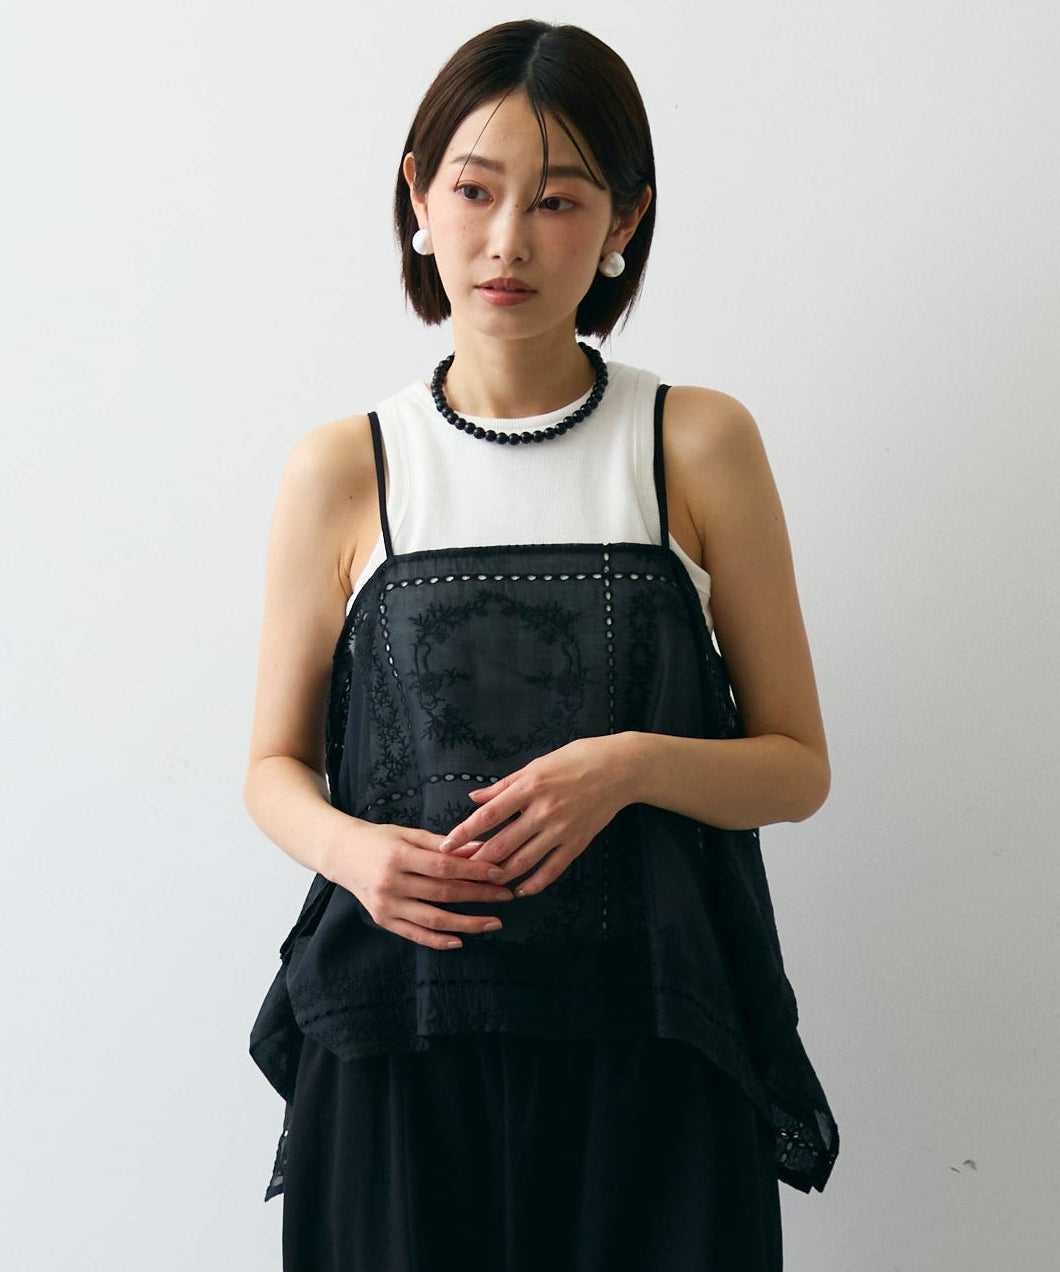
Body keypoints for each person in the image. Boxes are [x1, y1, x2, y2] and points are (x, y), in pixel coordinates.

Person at [245, 18, 839, 1272]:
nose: (508, 239)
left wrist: (629, 764)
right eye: (475, 190)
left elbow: (795, 767)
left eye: (559, 200)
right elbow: (272, 768)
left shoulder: (694, 443)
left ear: (625, 219)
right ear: (419, 197)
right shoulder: (346, 467)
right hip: (400, 1042)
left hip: (652, 1047)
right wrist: (354, 851)